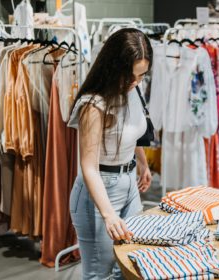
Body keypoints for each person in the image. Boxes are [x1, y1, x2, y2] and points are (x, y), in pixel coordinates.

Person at [68, 28, 153, 279]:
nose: (136, 82)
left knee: (127, 265)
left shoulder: (132, 88)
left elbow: (130, 129)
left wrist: (141, 162)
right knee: (99, 273)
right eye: (131, 75)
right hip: (100, 190)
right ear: (113, 67)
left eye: (142, 75)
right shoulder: (93, 104)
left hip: (129, 185)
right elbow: (89, 167)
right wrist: (107, 214)